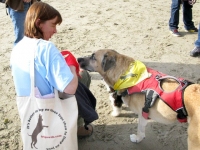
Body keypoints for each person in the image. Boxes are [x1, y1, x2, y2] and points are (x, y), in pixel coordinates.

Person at [61, 50, 98, 137]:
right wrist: (74, 70)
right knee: (83, 75)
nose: (53, 35)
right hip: (51, 97)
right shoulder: (46, 47)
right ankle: (78, 126)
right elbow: (70, 89)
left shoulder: (24, 45)